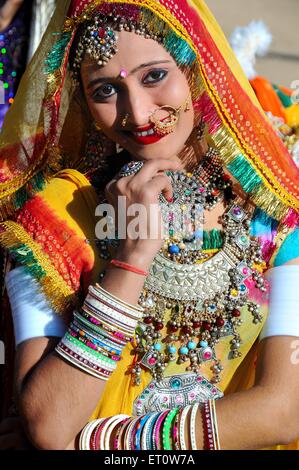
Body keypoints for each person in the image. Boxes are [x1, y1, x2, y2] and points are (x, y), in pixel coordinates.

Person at [0, 0, 299, 451]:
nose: (137, 114)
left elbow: (282, 412)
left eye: (155, 76)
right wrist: (133, 256)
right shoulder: (51, 218)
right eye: (105, 91)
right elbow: (47, 421)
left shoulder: (272, 215)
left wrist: (90, 441)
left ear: (196, 70)